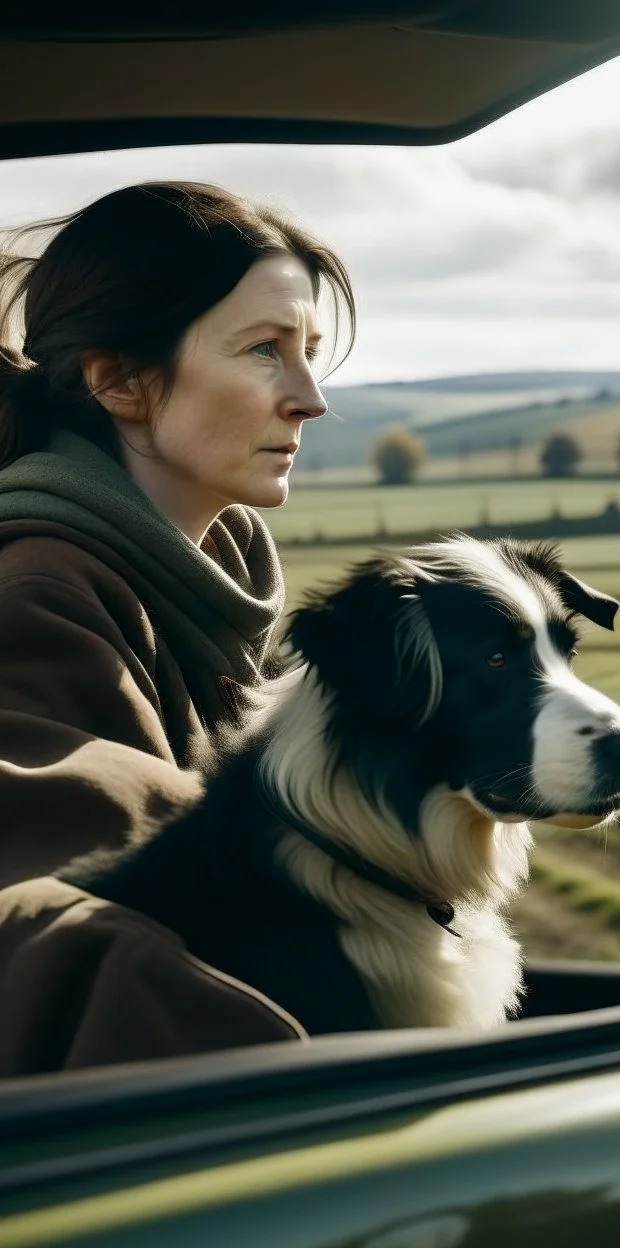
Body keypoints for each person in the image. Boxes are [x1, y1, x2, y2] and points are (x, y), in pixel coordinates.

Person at [0, 181, 355, 1075]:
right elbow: (84, 904)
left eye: (309, 350)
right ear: (119, 379)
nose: (310, 397)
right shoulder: (38, 596)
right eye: (265, 351)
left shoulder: (202, 587)